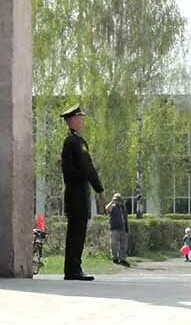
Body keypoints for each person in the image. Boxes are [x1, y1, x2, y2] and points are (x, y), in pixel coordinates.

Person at [60, 104, 104, 280]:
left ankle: (73, 268)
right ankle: (73, 269)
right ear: (72, 119)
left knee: (77, 231)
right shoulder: (74, 142)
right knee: (76, 232)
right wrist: (99, 189)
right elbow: (87, 167)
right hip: (76, 193)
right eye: (80, 117)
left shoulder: (74, 140)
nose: (82, 120)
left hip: (76, 192)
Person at [104, 193, 130, 266]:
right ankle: (115, 258)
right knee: (114, 244)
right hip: (114, 229)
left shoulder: (123, 208)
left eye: (119, 199)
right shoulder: (112, 207)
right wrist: (112, 201)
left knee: (123, 245)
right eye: (116, 199)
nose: (118, 201)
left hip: (123, 228)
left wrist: (127, 229)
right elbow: (106, 208)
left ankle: (122, 259)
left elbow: (126, 219)